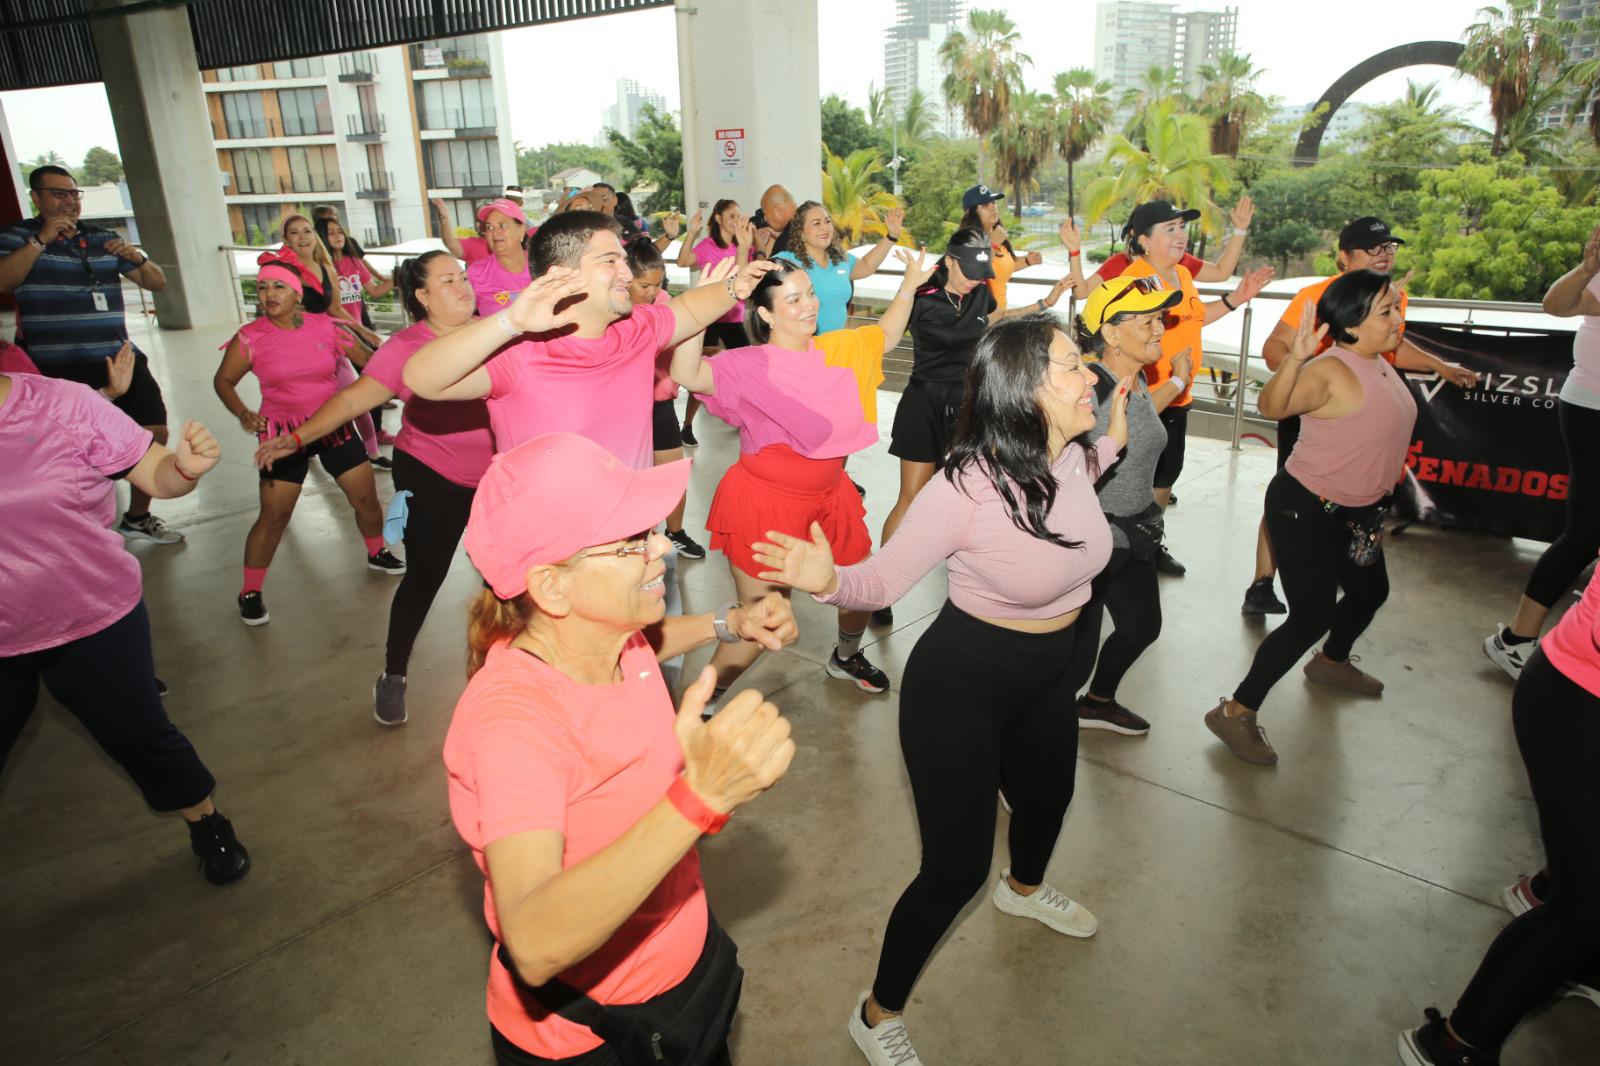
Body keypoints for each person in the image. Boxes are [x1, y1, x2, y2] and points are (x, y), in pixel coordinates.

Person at [749, 312, 1128, 1066]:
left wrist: (1118, 421)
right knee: (956, 869)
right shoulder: (967, 486)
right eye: (1072, 365)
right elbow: (881, 581)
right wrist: (828, 581)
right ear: (1024, 388)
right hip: (963, 686)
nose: (1091, 375)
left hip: (1050, 674)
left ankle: (1025, 890)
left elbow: (1105, 452)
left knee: (1049, 800)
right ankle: (877, 1011)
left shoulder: (1077, 455)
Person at [446, 431, 798, 1066]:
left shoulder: (611, 638)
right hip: (596, 1040)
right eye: (632, 540)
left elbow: (648, 647)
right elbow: (534, 940)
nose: (661, 546)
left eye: (652, 530)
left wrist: (729, 623)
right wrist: (699, 798)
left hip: (682, 985)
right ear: (552, 586)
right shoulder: (513, 724)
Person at [0, 369, 249, 886]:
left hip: (92, 616)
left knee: (141, 736)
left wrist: (183, 469)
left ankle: (207, 822)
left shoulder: (62, 404)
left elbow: (155, 473)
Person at [668, 251, 935, 702]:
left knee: (860, 591)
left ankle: (846, 657)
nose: (809, 305)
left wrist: (909, 284)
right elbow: (686, 372)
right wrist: (699, 309)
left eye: (809, 294)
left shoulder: (837, 349)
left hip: (831, 498)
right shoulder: (749, 364)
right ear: (766, 314)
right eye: (793, 300)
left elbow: (887, 335)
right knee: (765, 619)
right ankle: (704, 701)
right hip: (764, 505)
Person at [255, 251, 492, 724]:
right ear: (422, 296)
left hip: (498, 475)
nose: (462, 286)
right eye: (447, 280)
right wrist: (297, 438)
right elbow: (352, 399)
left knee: (505, 576)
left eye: (463, 276)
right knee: (425, 576)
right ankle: (394, 672)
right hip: (431, 473)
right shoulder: (406, 347)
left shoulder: (496, 333)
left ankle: (504, 673)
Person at [1206, 270, 1417, 766]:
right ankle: (1235, 711)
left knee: (1370, 592)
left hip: (1359, 514)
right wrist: (1296, 359)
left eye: (1396, 307)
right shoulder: (1330, 370)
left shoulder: (1378, 363)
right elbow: (1271, 405)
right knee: (1311, 616)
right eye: (1386, 311)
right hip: (1305, 509)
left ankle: (1331, 661)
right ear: (1352, 323)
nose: (1398, 319)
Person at [1398, 557, 1600, 1066]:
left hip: (1576, 692)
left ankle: (1581, 953)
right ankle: (1454, 1046)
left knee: (1585, 894)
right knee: (1585, 907)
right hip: (1578, 702)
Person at [404, 209, 773, 469]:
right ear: (562, 274)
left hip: (631, 542)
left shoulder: (637, 328)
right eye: (611, 261)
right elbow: (422, 378)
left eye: (623, 260)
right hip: (552, 552)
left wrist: (733, 287)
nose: (627, 273)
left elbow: (689, 310)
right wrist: (510, 322)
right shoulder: (519, 350)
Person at [1244, 216, 1478, 616]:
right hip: (1310, 408)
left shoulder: (1393, 296)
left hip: (1358, 417)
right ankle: (1262, 581)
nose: (1384, 255)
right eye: (1373, 249)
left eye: (1389, 247)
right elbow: (1273, 350)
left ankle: (1332, 567)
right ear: (1344, 257)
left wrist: (1441, 366)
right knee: (1293, 495)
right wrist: (1313, 379)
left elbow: (1392, 348)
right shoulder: (1315, 296)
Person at [873, 226, 1073, 627]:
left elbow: (995, 319)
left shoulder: (981, 291)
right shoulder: (922, 295)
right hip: (925, 402)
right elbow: (885, 336)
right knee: (911, 497)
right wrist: (906, 289)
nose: (973, 279)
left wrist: (1044, 302)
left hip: (968, 404)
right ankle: (880, 587)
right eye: (967, 271)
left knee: (976, 495)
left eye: (980, 273)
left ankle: (977, 583)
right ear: (949, 261)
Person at [214, 249, 403, 626]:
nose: (269, 294)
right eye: (262, 287)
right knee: (274, 517)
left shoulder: (327, 327)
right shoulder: (250, 337)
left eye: (279, 287)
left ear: (298, 293)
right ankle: (250, 591)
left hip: (333, 429)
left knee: (365, 500)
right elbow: (223, 380)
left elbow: (370, 363)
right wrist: (243, 413)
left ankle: (376, 551)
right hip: (281, 437)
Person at [0, 165, 182, 544]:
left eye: (73, 193)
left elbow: (158, 283)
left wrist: (136, 257)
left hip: (117, 357)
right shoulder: (16, 237)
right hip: (54, 366)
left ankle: (137, 517)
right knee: (65, 448)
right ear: (36, 198)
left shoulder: (102, 238)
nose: (69, 201)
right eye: (58, 193)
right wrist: (40, 240)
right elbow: (4, 281)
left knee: (154, 430)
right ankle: (82, 526)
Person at [1118, 199, 1273, 576]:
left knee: (1167, 474)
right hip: (1151, 397)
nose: (1180, 236)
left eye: (1182, 228)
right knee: (1137, 479)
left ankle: (1151, 543)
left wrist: (1236, 299)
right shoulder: (1136, 280)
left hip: (1180, 395)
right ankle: (1128, 551)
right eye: (1169, 229)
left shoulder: (1183, 275)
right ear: (1143, 241)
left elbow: (1195, 318)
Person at [1073, 275, 1194, 735]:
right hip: (1095, 542)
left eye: (1160, 318)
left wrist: (1178, 379)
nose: (1160, 329)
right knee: (1072, 660)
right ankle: (1024, 742)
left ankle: (1098, 703)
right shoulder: (1088, 389)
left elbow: (1137, 420)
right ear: (1110, 333)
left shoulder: (1136, 378)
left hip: (1135, 534)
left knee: (1142, 627)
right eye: (1147, 322)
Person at [1483, 222, 1600, 680]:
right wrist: (1587, 268)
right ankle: (1516, 640)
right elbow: (1557, 305)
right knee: (1586, 531)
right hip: (1592, 408)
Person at [625, 235, 706, 559]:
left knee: (672, 476)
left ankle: (676, 532)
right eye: (644, 285)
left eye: (657, 285)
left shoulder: (667, 306)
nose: (651, 292)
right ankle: (634, 537)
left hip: (660, 404)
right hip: (624, 410)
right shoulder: (613, 310)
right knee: (630, 479)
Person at [675, 200, 755, 446]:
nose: (736, 220)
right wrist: (692, 232)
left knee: (748, 367)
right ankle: (687, 425)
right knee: (698, 371)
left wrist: (750, 246)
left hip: (733, 317)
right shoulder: (708, 246)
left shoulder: (743, 246)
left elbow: (744, 281)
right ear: (718, 219)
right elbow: (682, 261)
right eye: (731, 216)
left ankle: (746, 418)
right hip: (708, 318)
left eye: (738, 216)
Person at [776, 201, 906, 333]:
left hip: (837, 343)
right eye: (816, 223)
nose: (825, 228)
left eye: (827, 221)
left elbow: (867, 265)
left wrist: (891, 236)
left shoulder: (840, 259)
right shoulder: (787, 261)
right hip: (804, 344)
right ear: (801, 233)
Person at [465, 198, 533, 318]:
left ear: (521, 230)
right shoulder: (476, 273)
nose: (495, 233)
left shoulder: (543, 265)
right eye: (489, 227)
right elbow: (462, 316)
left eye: (502, 225)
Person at [750, 184, 797, 258]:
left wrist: (759, 247)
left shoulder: (785, 239)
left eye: (766, 214)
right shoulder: (803, 224)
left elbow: (765, 266)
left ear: (779, 211)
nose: (765, 219)